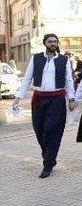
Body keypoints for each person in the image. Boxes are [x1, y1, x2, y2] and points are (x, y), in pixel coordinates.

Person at [13, 33, 76, 178]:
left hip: (57, 99)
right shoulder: (36, 58)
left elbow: (68, 81)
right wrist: (18, 97)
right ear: (45, 43)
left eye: (55, 41)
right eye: (50, 41)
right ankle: (50, 157)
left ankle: (47, 164)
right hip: (39, 99)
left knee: (52, 131)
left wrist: (71, 99)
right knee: (39, 130)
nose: (53, 43)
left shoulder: (64, 60)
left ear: (57, 43)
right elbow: (27, 78)